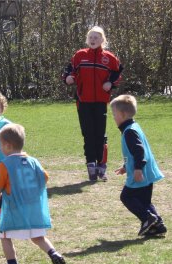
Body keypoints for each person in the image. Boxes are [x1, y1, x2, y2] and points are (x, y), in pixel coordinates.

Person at [0, 124, 69, 264]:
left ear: (7, 145)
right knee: (37, 237)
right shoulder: (33, 161)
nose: (0, 148)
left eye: (1, 145)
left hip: (14, 208)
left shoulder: (4, 164)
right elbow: (45, 177)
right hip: (33, 207)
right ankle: (54, 253)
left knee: (5, 236)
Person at [63, 26, 123, 181]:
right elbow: (70, 72)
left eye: (96, 37)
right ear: (87, 39)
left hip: (101, 102)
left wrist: (110, 82)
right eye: (91, 37)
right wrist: (68, 78)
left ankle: (101, 166)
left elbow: (118, 73)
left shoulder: (109, 58)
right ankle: (90, 165)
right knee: (88, 134)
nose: (93, 40)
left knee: (100, 134)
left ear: (103, 40)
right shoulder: (79, 55)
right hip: (83, 101)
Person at [110, 95, 166, 236]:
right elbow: (133, 152)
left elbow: (139, 151)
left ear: (123, 114)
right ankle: (158, 226)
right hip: (146, 171)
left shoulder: (129, 131)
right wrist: (125, 166)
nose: (113, 117)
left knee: (126, 197)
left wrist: (137, 169)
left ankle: (148, 218)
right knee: (144, 201)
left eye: (114, 114)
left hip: (141, 172)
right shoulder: (133, 126)